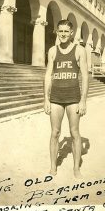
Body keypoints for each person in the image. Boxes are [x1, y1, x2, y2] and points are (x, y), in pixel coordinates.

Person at [44, 19, 89, 178]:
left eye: (66, 31)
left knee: (74, 132)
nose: (63, 34)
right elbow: (48, 75)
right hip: (56, 96)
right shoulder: (52, 51)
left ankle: (76, 168)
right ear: (57, 32)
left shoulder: (79, 50)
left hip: (73, 97)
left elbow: (84, 75)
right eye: (60, 31)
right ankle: (53, 166)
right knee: (55, 132)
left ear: (71, 33)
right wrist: (46, 99)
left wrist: (83, 100)